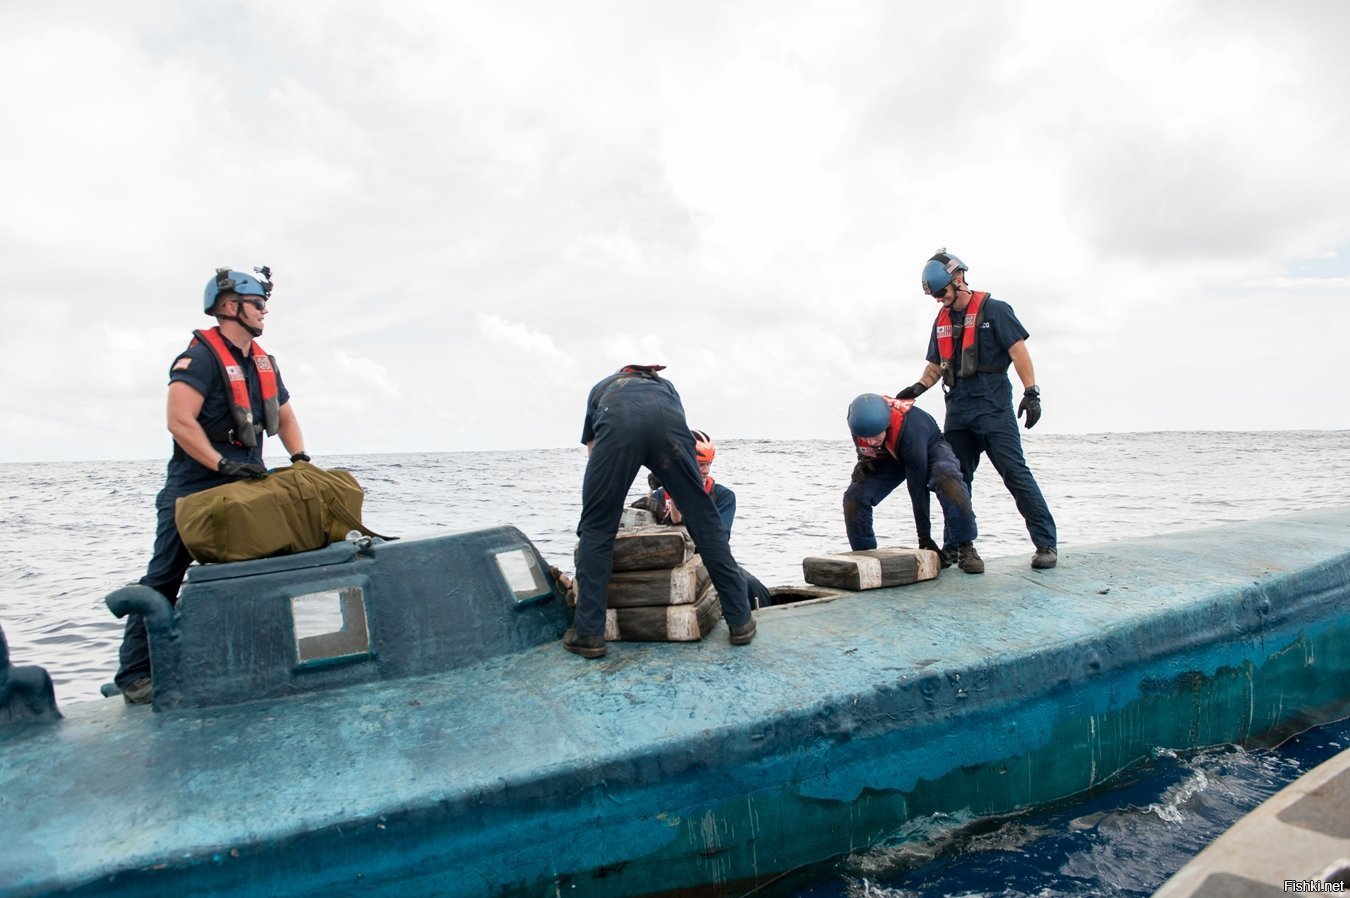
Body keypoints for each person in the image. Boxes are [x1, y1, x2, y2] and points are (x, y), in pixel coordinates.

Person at [113, 267, 309, 703]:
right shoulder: (199, 359)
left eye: (263, 304)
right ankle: (135, 674)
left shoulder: (263, 363)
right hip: (195, 486)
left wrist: (300, 460)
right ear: (229, 307)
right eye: (258, 304)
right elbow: (179, 421)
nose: (264, 312)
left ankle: (236, 663)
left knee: (248, 572)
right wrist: (221, 463)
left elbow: (288, 416)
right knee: (165, 574)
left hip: (246, 484)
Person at [568, 366, 756, 658]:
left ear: (623, 372)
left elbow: (594, 452)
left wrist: (602, 504)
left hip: (617, 425)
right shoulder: (665, 387)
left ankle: (589, 635)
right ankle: (741, 621)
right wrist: (683, 507)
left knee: (597, 528)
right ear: (648, 372)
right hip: (667, 424)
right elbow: (679, 448)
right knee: (706, 523)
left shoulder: (601, 388)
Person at [896, 249, 1057, 569]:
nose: (938, 299)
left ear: (959, 280)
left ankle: (1046, 544)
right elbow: (934, 367)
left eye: (942, 292)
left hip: (993, 408)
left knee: (1016, 475)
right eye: (934, 295)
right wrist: (916, 389)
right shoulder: (941, 320)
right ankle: (957, 547)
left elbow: (1018, 352)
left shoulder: (995, 310)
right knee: (953, 478)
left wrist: (1031, 392)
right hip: (958, 410)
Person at [843, 393, 984, 574]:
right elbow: (866, 443)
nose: (870, 441)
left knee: (947, 478)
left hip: (928, 448)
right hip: (889, 455)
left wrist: (924, 540)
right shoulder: (859, 423)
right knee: (854, 497)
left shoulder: (909, 429)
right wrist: (863, 458)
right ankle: (864, 557)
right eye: (865, 437)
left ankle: (965, 546)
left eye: (875, 436)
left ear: (886, 424)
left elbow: (917, 489)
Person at [646, 429, 736, 533]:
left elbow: (721, 537)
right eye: (700, 464)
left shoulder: (723, 496)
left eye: (709, 464)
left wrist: (677, 518)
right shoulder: (657, 497)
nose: (706, 471)